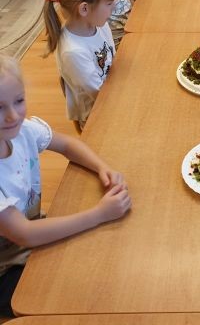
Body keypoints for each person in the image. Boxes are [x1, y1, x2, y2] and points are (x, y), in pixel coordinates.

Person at [0, 54, 131, 318]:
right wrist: (99, 214)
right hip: (6, 269)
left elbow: (67, 145)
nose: (13, 115)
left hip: (29, 240)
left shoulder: (21, 131)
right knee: (71, 301)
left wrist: (102, 167)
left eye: (19, 100)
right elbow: (25, 234)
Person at [42, 0, 120, 131]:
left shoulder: (99, 24)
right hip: (96, 116)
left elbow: (113, 61)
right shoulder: (73, 52)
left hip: (113, 94)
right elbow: (100, 96)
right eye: (109, 3)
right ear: (84, 8)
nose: (115, 5)